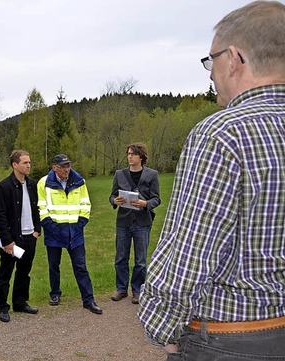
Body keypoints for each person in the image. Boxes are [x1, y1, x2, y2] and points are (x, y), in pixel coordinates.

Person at [138, 2, 285, 359]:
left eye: (212, 60)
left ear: (234, 58)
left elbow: (191, 252)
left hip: (232, 336)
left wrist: (162, 326)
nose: (210, 73)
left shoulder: (223, 133)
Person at [37, 154, 102, 315]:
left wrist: (80, 224)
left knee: (81, 267)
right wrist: (50, 226)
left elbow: (85, 204)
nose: (67, 169)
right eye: (63, 166)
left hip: (75, 232)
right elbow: (41, 207)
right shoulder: (43, 183)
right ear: (54, 168)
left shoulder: (79, 181)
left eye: (68, 166)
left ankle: (88, 300)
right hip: (54, 232)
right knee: (54, 265)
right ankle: (55, 294)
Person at [108, 143, 160, 305]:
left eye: (133, 154)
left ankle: (137, 290)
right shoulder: (119, 174)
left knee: (140, 260)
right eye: (128, 153)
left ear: (141, 157)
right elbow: (112, 196)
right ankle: (121, 289)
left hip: (142, 221)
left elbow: (156, 199)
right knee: (121, 257)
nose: (129, 156)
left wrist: (145, 204)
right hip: (123, 221)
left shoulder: (152, 175)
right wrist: (114, 201)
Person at [0, 150, 41, 323]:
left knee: (24, 272)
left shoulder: (32, 184)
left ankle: (20, 302)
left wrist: (37, 230)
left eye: (29, 162)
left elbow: (37, 208)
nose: (28, 165)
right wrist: (7, 241)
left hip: (30, 236)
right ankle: (2, 307)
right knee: (5, 273)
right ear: (15, 165)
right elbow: (0, 217)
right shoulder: (3, 187)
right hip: (13, 239)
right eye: (25, 163)